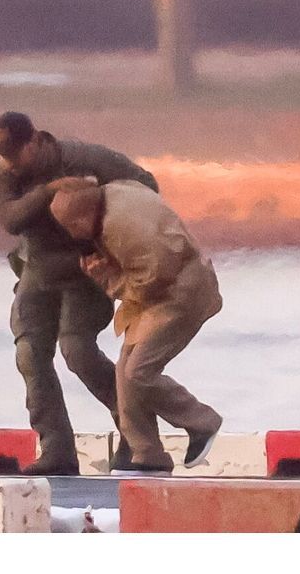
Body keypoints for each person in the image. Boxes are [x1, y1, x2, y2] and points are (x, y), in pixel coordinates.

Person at [0, 112, 160, 475]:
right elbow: (10, 218)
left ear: (34, 141)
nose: (11, 164)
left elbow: (146, 186)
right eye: (5, 156)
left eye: (17, 154)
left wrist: (110, 232)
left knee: (77, 351)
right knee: (29, 354)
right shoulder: (3, 174)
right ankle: (56, 448)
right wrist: (50, 190)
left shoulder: (84, 160)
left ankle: (135, 431)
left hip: (86, 269)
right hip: (37, 269)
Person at [50, 179, 224, 476]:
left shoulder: (121, 229)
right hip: (165, 290)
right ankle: (147, 453)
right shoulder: (115, 193)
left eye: (70, 228)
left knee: (139, 371)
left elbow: (153, 277)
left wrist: (106, 277)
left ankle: (201, 421)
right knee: (124, 370)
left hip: (182, 292)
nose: (71, 236)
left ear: (81, 219)